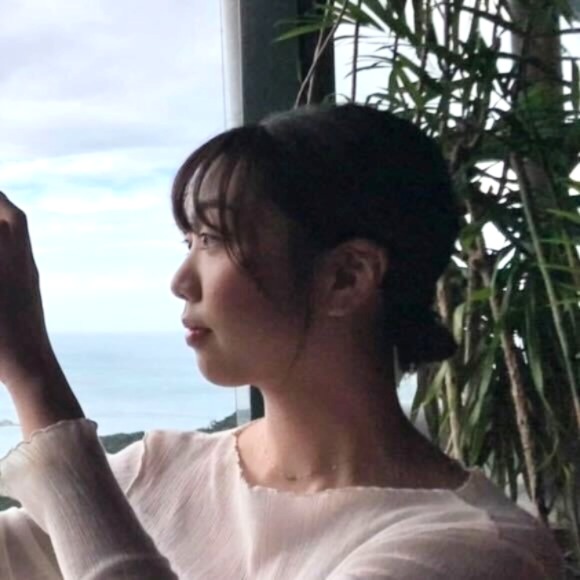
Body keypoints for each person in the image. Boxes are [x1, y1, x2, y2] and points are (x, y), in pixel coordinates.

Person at [0, 104, 563, 579]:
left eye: (214, 239)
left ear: (346, 277)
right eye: (188, 240)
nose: (181, 280)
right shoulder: (160, 473)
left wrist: (32, 373)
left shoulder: (475, 551)